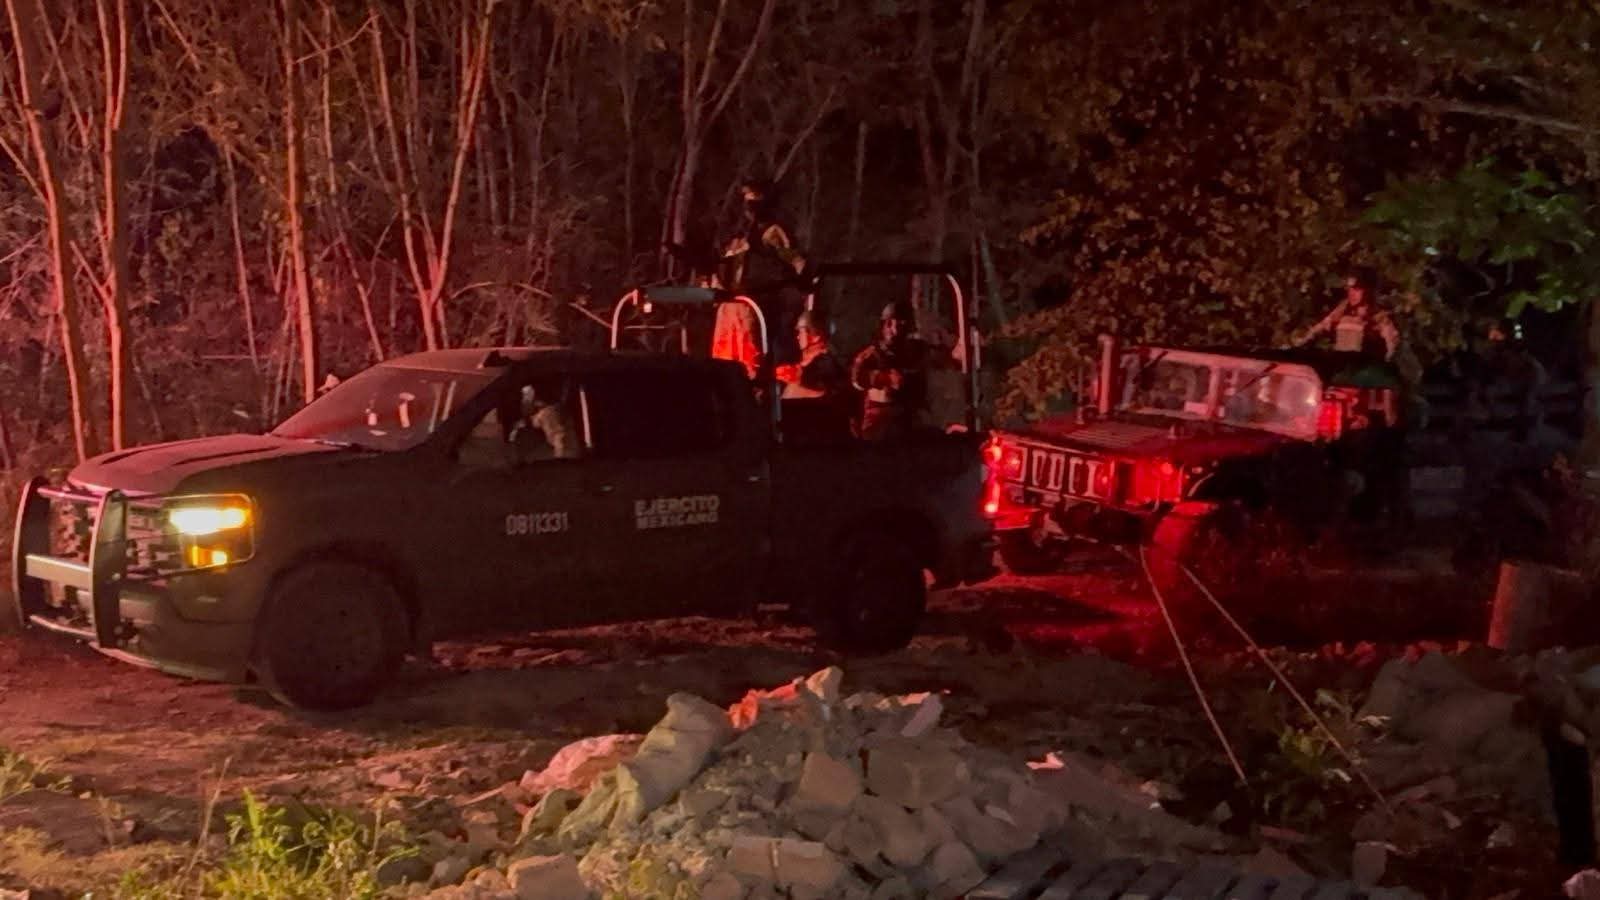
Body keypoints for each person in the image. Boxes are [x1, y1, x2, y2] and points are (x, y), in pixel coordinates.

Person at [710, 178, 807, 377]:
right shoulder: (737, 238)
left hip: (754, 307)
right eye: (747, 200)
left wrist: (803, 278)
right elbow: (723, 267)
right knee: (722, 362)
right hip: (729, 308)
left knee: (751, 364)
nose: (750, 207)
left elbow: (794, 260)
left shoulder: (772, 233)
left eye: (755, 200)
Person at [851, 301, 930, 441]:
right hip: (879, 423)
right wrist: (884, 378)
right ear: (882, 326)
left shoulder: (915, 353)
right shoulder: (871, 355)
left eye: (900, 325)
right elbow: (856, 379)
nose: (895, 330)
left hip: (908, 421)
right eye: (889, 324)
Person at [1294, 267, 1399, 360]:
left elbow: (1391, 343)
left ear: (1368, 290)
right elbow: (1323, 325)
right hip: (1340, 366)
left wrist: (1386, 359)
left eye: (1356, 289)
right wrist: (1305, 339)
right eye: (1349, 288)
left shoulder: (1377, 315)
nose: (1351, 293)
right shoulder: (1343, 308)